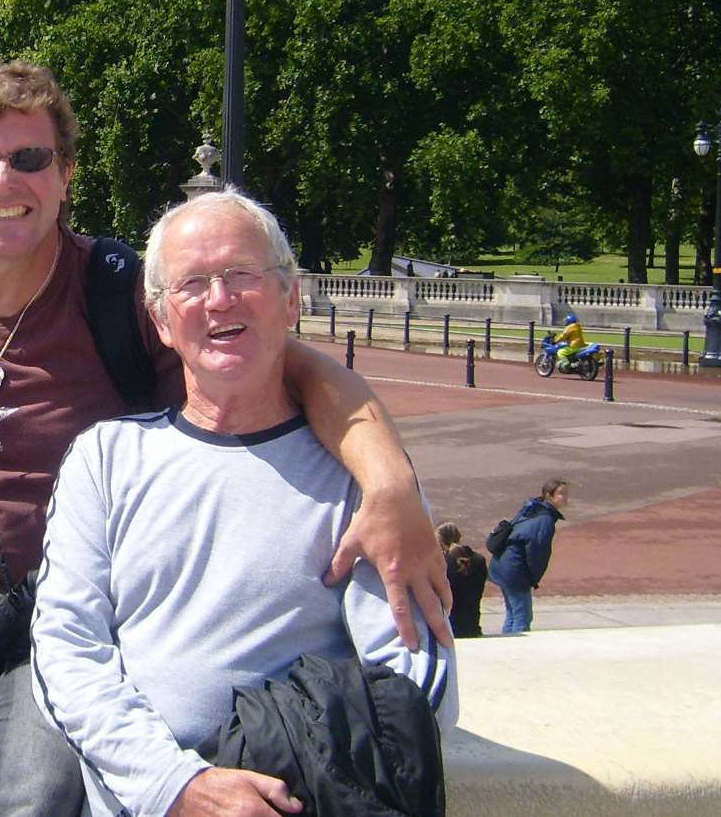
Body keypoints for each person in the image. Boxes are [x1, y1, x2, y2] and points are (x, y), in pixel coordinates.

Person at [0, 61, 451, 817]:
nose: (3, 180)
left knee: (39, 796)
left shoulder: (121, 292)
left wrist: (387, 484)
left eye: (29, 159)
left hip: (61, 612)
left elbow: (283, 364)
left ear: (64, 176)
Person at [31, 191, 456, 817]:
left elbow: (413, 672)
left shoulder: (363, 481)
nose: (219, 300)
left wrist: (286, 777)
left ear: (291, 297)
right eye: (192, 283)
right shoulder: (104, 458)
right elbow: (66, 651)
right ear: (160, 320)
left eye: (241, 275)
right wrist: (174, 786)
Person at [490, 477, 570, 634]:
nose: (565, 497)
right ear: (548, 495)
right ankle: (515, 652)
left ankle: (506, 647)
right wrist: (532, 578)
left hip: (502, 564)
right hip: (514, 569)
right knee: (522, 617)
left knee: (513, 614)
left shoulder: (531, 508)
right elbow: (537, 552)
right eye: (561, 493)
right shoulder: (545, 520)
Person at [438, 522, 488, 638]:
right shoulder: (479, 560)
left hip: (451, 627)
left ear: (440, 541)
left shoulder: (443, 563)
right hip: (472, 625)